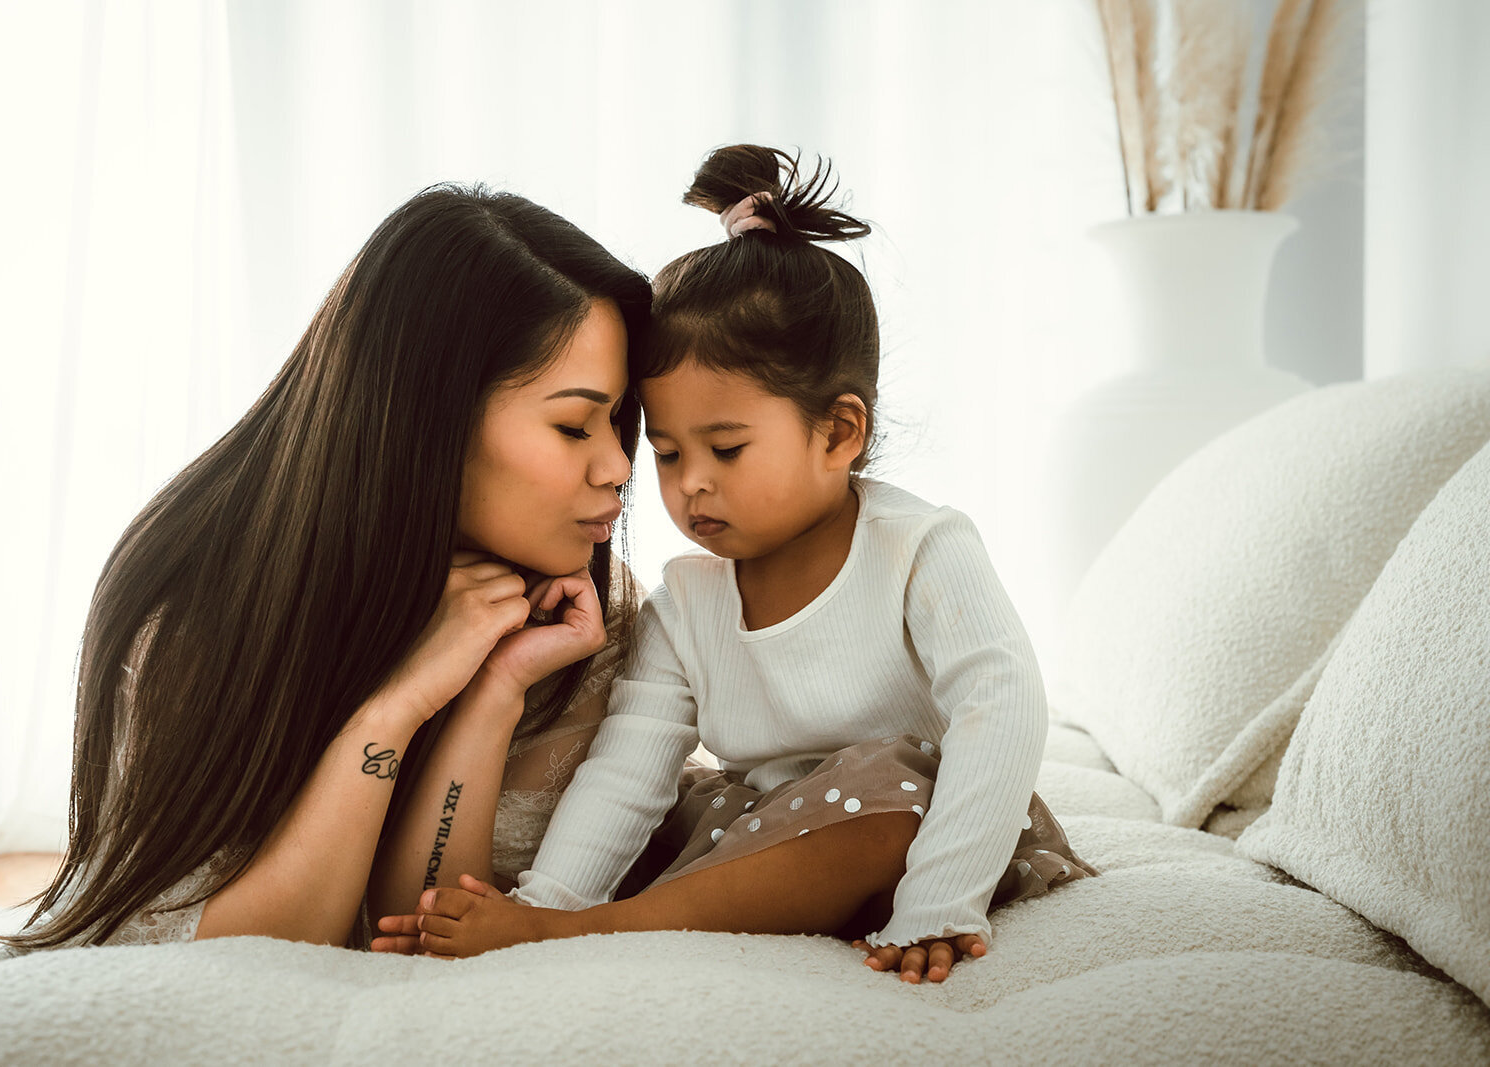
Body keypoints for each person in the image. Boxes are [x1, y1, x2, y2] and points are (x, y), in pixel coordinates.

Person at [378, 146, 1095, 983]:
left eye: (726, 448)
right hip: (766, 837)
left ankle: (592, 933)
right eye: (668, 453)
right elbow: (629, 769)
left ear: (838, 433)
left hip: (917, 830)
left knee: (890, 789)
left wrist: (940, 896)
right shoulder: (687, 600)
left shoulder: (922, 548)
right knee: (684, 807)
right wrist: (549, 899)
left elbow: (1000, 706)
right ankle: (579, 927)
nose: (690, 485)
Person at [0, 185, 652, 950]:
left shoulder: (574, 614)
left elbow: (420, 929)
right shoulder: (190, 606)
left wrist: (494, 691)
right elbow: (251, 955)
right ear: (429, 417)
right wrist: (393, 709)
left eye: (618, 420)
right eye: (574, 424)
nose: (617, 466)